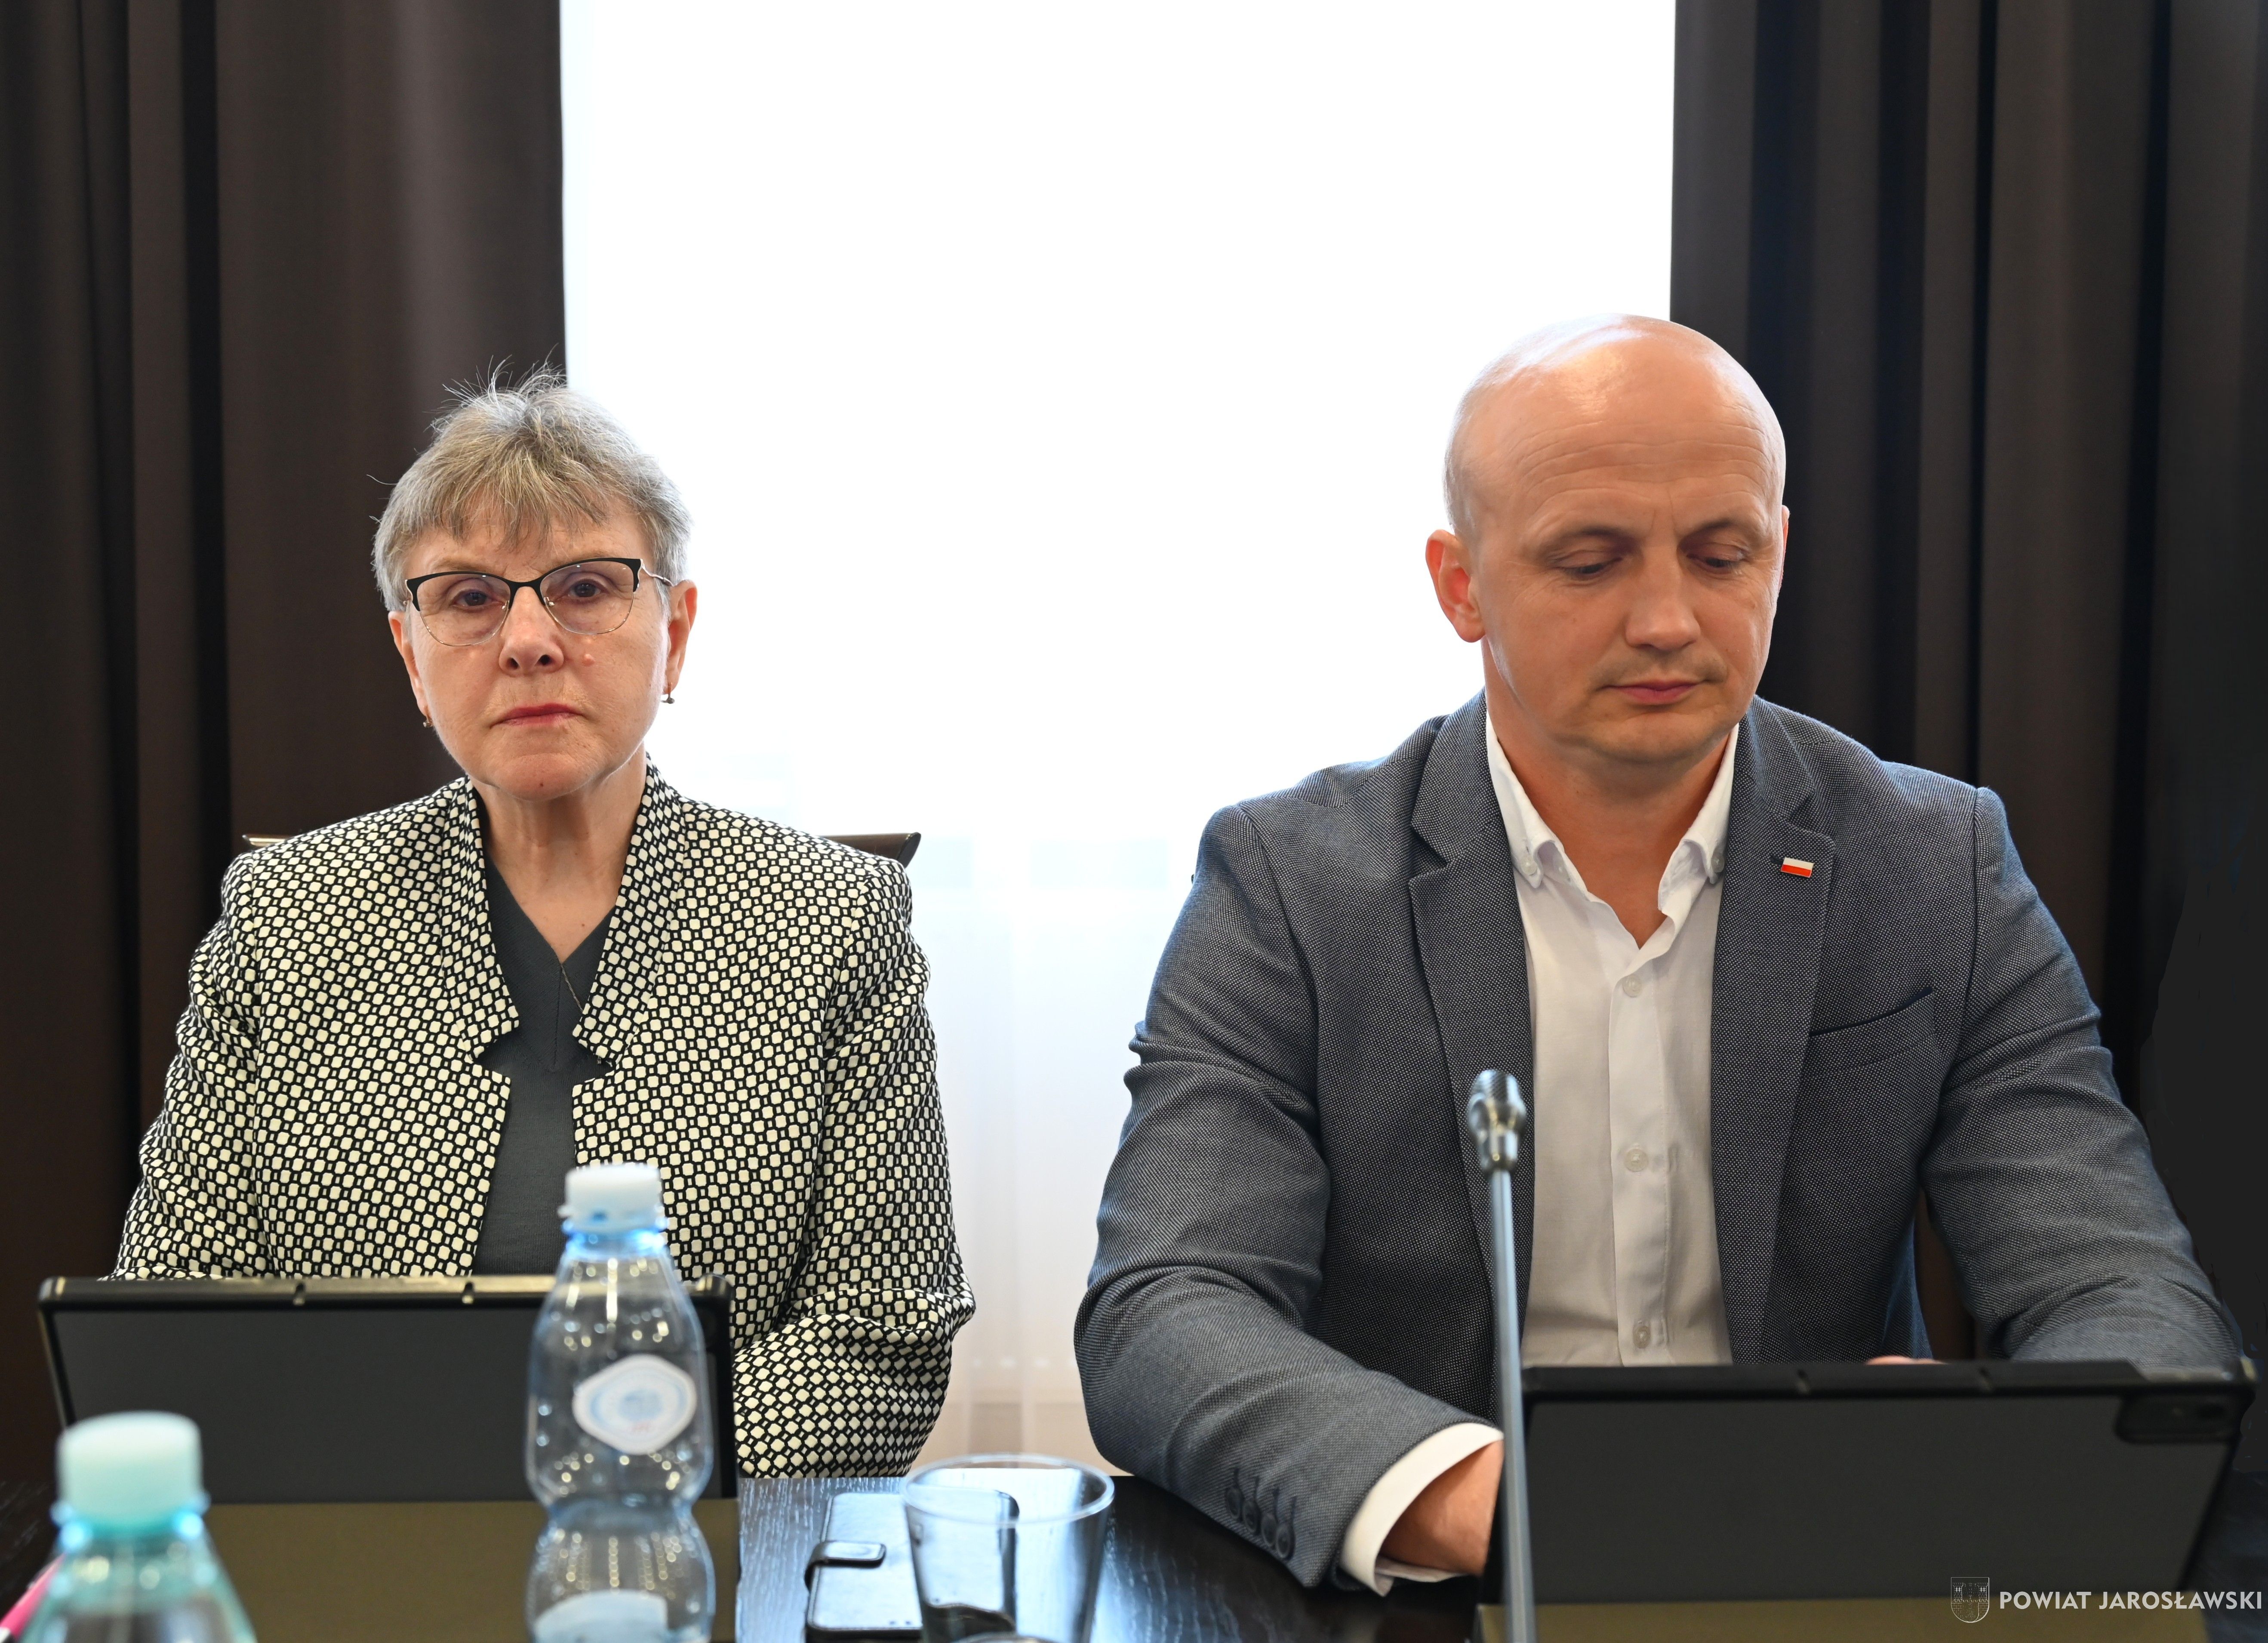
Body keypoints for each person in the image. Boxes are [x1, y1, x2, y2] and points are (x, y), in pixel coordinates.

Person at [1074, 316, 2234, 1591]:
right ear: (1461, 585)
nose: (1670, 620)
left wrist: (1986, 1457)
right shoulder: (1290, 884)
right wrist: (1506, 1504)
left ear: (1778, 552)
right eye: (1591, 561)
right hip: (1450, 1587)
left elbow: (2120, 1286)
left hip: (1828, 1577)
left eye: (1722, 555)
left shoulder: (1932, 865)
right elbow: (1165, 1311)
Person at [115, 371, 971, 1477]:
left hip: (712, 1543)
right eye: (470, 598)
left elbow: (883, 1340)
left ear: (675, 633)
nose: (527, 639)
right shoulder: (287, 915)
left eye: (584, 587)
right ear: (410, 655)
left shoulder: (834, 917)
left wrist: (591, 1468)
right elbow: (178, 1313)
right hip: (365, 1539)